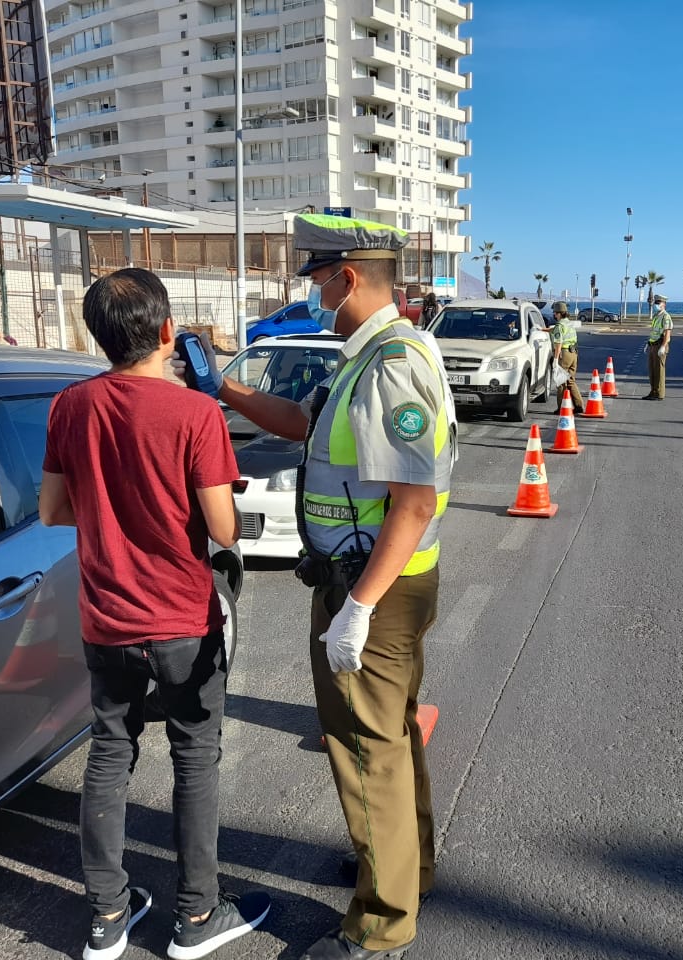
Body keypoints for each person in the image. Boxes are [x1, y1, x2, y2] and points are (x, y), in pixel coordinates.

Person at [175, 214, 455, 960]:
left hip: (373, 589)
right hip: (376, 582)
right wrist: (224, 390)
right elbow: (305, 422)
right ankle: (405, 868)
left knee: (366, 750)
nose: (316, 293)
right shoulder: (368, 355)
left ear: (349, 278)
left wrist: (357, 608)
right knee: (388, 740)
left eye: (320, 280)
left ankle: (380, 924)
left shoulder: (392, 363)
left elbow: (415, 501)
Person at [39, 268, 271, 960]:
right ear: (168, 332)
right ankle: (197, 919)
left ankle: (108, 916)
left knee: (110, 750)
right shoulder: (195, 414)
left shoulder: (69, 406)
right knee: (194, 757)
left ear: (99, 337)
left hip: (105, 619)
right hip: (179, 619)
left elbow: (53, 509)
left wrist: (114, 513)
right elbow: (224, 530)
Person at [548, 301, 583, 413]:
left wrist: (556, 359)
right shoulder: (568, 324)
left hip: (565, 354)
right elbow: (554, 330)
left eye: (555, 313)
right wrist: (543, 329)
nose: (554, 315)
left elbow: (558, 343)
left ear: (558, 313)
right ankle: (578, 406)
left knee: (561, 382)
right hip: (574, 353)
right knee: (571, 381)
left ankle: (561, 407)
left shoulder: (559, 326)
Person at [644, 293, 672, 400]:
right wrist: (648, 343)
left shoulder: (666, 316)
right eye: (655, 303)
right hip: (652, 345)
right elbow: (653, 332)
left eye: (658, 303)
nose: (656, 305)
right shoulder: (656, 316)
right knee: (652, 370)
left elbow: (667, 334)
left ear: (664, 304)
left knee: (659, 370)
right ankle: (653, 391)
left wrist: (663, 346)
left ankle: (659, 394)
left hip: (660, 345)